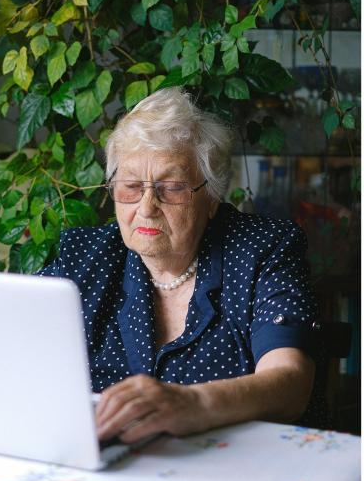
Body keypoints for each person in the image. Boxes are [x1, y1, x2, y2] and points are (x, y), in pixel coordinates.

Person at [38, 87, 326, 444]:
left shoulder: (262, 249)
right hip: (117, 468)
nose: (146, 207)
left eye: (171, 188)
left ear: (212, 197)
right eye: (130, 186)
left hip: (242, 467)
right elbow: (17, 349)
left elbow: (290, 383)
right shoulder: (84, 257)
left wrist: (193, 402)